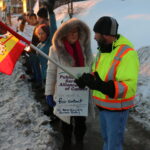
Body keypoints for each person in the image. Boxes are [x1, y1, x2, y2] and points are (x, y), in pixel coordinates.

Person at [75, 16, 139, 150]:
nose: (94, 38)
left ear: (106, 35)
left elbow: (128, 86)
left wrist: (100, 86)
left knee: (113, 145)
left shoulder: (127, 53)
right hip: (104, 108)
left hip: (116, 110)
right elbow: (97, 73)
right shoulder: (103, 50)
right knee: (107, 141)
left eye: (96, 34)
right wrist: (87, 79)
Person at [45, 18, 93, 150]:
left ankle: (79, 141)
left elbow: (91, 68)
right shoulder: (55, 50)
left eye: (76, 32)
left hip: (80, 92)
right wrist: (49, 92)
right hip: (63, 92)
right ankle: (66, 142)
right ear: (64, 33)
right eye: (70, 32)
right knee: (65, 121)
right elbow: (51, 72)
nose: (73, 35)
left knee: (80, 121)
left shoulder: (84, 48)